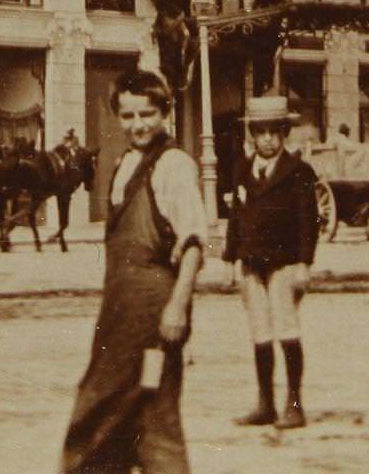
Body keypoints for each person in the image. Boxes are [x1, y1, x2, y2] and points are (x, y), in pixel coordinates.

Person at [61, 67, 207, 474]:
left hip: (156, 311)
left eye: (147, 114)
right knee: (118, 409)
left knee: (143, 411)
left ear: (165, 113)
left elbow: (194, 242)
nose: (138, 125)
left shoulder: (175, 164)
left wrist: (177, 308)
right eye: (128, 116)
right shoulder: (126, 163)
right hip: (121, 309)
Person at [223, 94, 320, 430]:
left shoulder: (298, 171)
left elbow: (309, 221)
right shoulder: (242, 169)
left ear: (284, 135)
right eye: (260, 132)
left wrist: (304, 264)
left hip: (284, 262)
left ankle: (294, 404)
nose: (267, 139)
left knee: (286, 330)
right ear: (252, 134)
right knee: (260, 333)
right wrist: (230, 258)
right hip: (251, 262)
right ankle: (265, 403)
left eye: (273, 132)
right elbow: (236, 217)